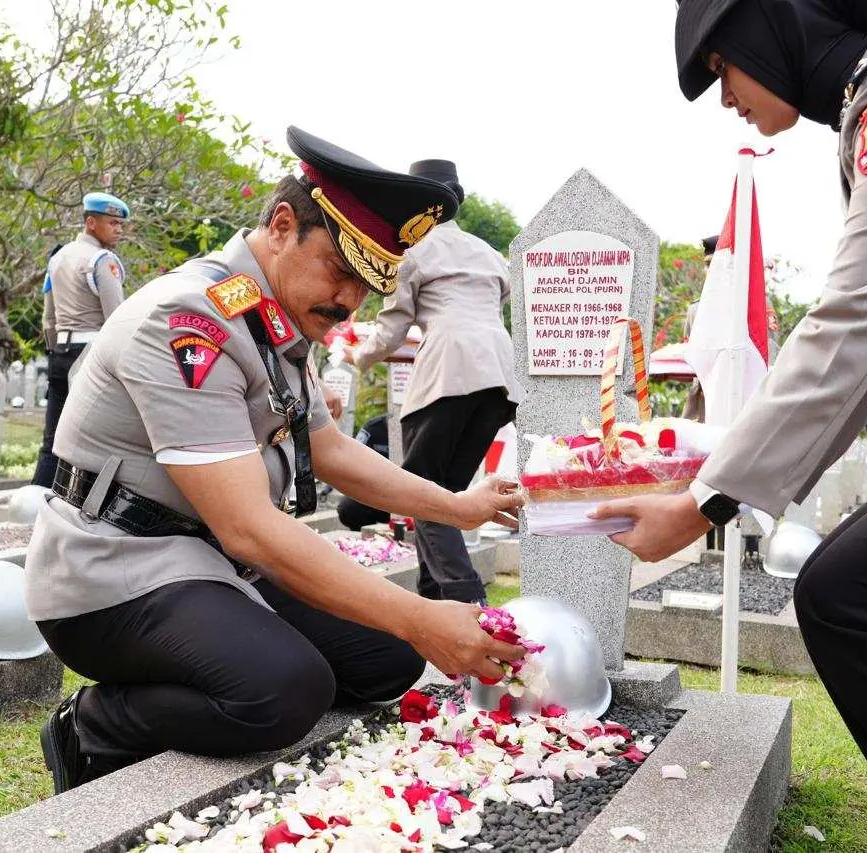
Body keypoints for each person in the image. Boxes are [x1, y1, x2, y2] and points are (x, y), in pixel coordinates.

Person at [597, 2, 867, 848]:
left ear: (774, 29)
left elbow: (857, 321)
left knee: (853, 597)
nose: (724, 97)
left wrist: (704, 503)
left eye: (722, 66)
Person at [27, 127, 525, 794]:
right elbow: (249, 527)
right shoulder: (188, 320)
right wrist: (423, 613)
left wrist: (456, 506)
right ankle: (92, 724)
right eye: (342, 271)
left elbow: (328, 446)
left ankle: (230, 645)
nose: (350, 302)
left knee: (387, 657)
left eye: (368, 286)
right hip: (112, 571)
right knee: (285, 689)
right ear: (283, 225)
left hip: (207, 561)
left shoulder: (274, 315)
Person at [345, 159, 520, 605]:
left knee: (425, 493)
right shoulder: (486, 251)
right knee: (448, 496)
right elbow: (496, 303)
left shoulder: (412, 252)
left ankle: (467, 601)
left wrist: (357, 356)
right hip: (498, 376)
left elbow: (392, 329)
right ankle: (433, 597)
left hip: (448, 370)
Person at [31, 193, 131, 488]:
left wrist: (54, 349)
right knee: (94, 436)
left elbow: (48, 316)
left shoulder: (57, 258)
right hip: (90, 353)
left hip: (60, 351)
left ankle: (36, 498)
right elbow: (117, 318)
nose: (118, 229)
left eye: (121, 224)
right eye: (112, 223)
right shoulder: (102, 260)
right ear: (91, 222)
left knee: (53, 436)